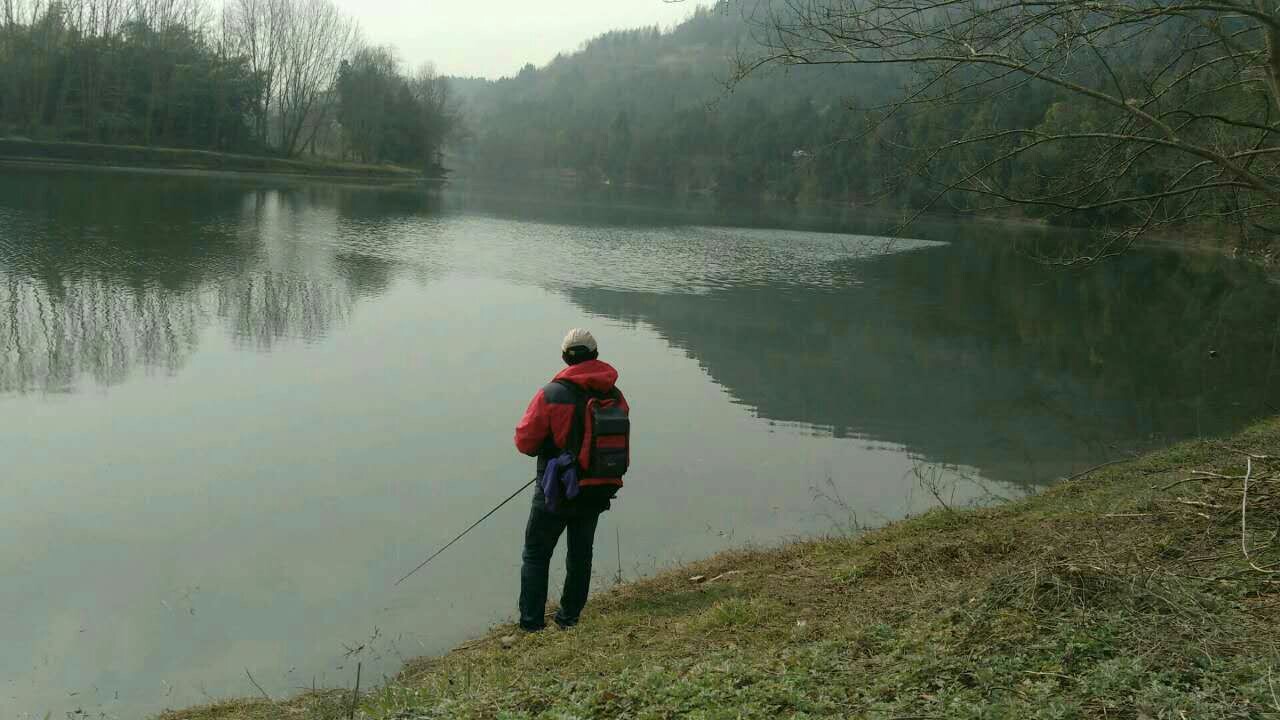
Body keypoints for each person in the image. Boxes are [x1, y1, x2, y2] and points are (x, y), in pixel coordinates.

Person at [513, 328, 629, 631]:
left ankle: (531, 625)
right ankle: (569, 619)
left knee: (536, 554)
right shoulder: (614, 394)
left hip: (555, 490)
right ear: (595, 356)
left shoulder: (551, 394)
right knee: (580, 554)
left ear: (565, 357)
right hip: (595, 489)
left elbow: (525, 442)